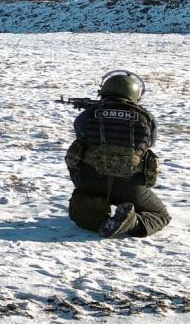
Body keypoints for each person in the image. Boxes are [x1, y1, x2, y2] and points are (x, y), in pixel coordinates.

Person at [65, 70, 170, 238]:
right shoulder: (146, 118)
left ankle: (96, 215)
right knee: (161, 215)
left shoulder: (89, 114)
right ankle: (132, 222)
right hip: (129, 187)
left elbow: (79, 134)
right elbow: (150, 143)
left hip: (90, 180)